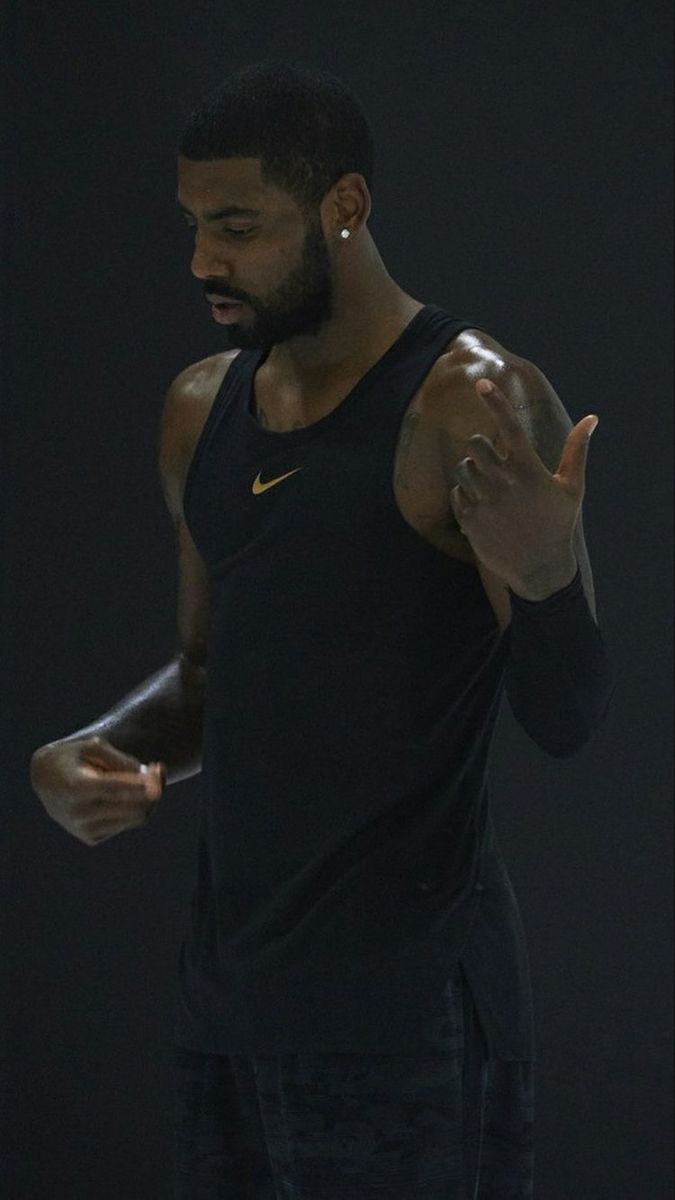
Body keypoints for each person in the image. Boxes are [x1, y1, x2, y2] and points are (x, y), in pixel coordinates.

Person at [29, 61, 615, 1199]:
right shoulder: (202, 409)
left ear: (344, 207)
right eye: (196, 224)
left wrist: (547, 579)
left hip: (408, 1018)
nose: (204, 259)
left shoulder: (469, 402)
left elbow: (567, 715)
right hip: (232, 1008)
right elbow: (212, 678)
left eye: (239, 226)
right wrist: (91, 752)